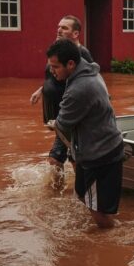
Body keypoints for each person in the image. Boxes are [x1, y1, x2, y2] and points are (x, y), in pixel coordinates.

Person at [47, 38, 124, 229]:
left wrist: (53, 123)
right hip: (96, 148)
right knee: (82, 194)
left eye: (55, 67)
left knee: (98, 213)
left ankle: (112, 241)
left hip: (100, 155)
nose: (52, 71)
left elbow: (63, 123)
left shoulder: (79, 88)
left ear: (71, 64)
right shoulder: (90, 70)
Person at [30, 15, 94, 168]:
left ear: (76, 34)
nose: (59, 30)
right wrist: (41, 90)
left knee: (56, 159)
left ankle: (66, 190)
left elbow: (91, 80)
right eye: (58, 26)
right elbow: (54, 76)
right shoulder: (58, 50)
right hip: (59, 112)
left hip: (69, 112)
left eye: (64, 28)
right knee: (73, 152)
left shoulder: (81, 54)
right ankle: (76, 187)